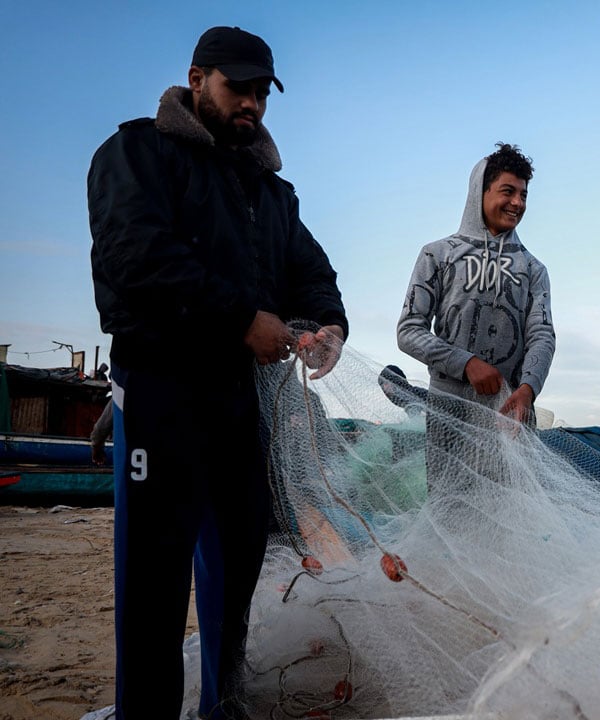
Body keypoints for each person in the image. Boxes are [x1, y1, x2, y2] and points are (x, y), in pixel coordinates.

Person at [87, 26, 348, 720]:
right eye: (240, 88)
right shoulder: (137, 153)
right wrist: (242, 319)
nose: (253, 105)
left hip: (242, 407)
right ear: (198, 78)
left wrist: (327, 326)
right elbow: (132, 256)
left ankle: (223, 704)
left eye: (263, 93)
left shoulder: (272, 193)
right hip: (161, 393)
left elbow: (312, 273)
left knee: (235, 569)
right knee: (156, 582)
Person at [397, 143, 555, 425]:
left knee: (509, 473)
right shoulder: (437, 255)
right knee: (447, 473)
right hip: (448, 417)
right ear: (479, 192)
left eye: (523, 194)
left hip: (510, 419)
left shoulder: (534, 269)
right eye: (508, 191)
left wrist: (528, 390)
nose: (518, 203)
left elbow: (542, 336)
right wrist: (466, 363)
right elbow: (409, 331)